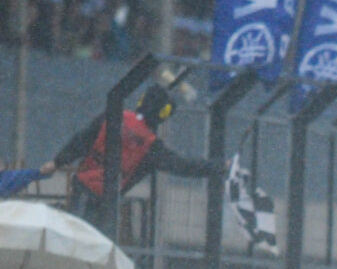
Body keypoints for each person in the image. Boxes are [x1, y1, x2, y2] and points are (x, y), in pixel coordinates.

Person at [50, 83, 223, 225]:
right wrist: (219, 166)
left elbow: (82, 140)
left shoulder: (114, 116)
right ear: (163, 114)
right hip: (105, 201)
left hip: (82, 187)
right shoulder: (151, 145)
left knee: (72, 237)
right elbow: (183, 166)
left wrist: (57, 162)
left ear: (142, 100)